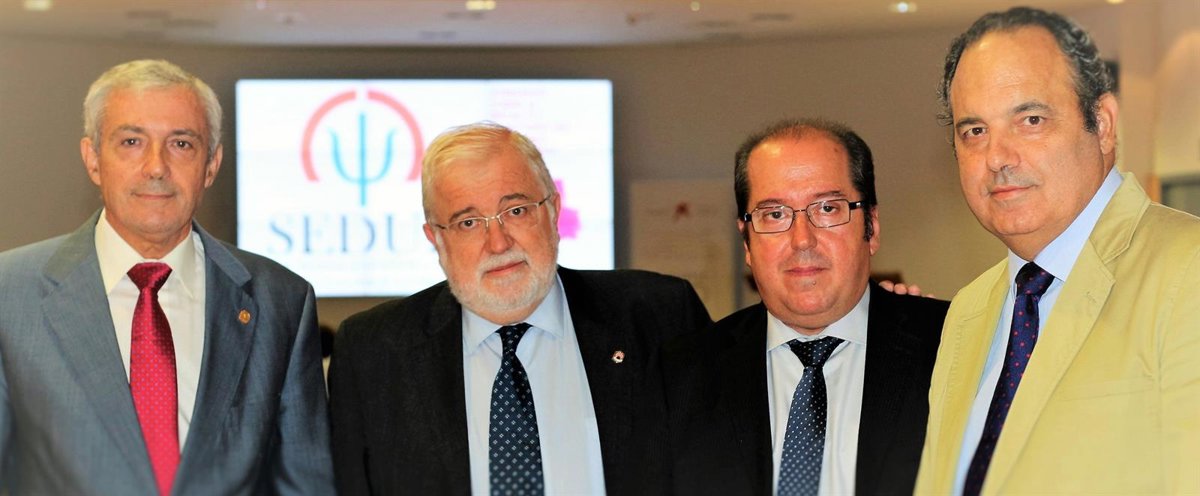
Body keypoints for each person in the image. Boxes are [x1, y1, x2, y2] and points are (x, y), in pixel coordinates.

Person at [0, 60, 335, 495]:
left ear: (211, 165)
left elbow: (304, 483)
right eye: (131, 141)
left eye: (181, 144)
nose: (156, 167)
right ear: (93, 159)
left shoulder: (281, 301)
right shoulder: (10, 295)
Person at [328, 121, 712, 494]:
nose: (498, 243)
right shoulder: (373, 353)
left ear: (553, 210)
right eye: (468, 222)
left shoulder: (660, 317)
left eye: (516, 211)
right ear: (436, 239)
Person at [915, 7, 1200, 495]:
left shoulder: (1186, 272)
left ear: (1103, 124)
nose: (997, 157)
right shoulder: (968, 311)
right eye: (975, 131)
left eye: (1030, 120)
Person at [662, 118, 949, 495]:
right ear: (747, 242)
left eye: (828, 208)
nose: (802, 240)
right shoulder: (680, 378)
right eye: (775, 214)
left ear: (872, 227)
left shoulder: (953, 350)